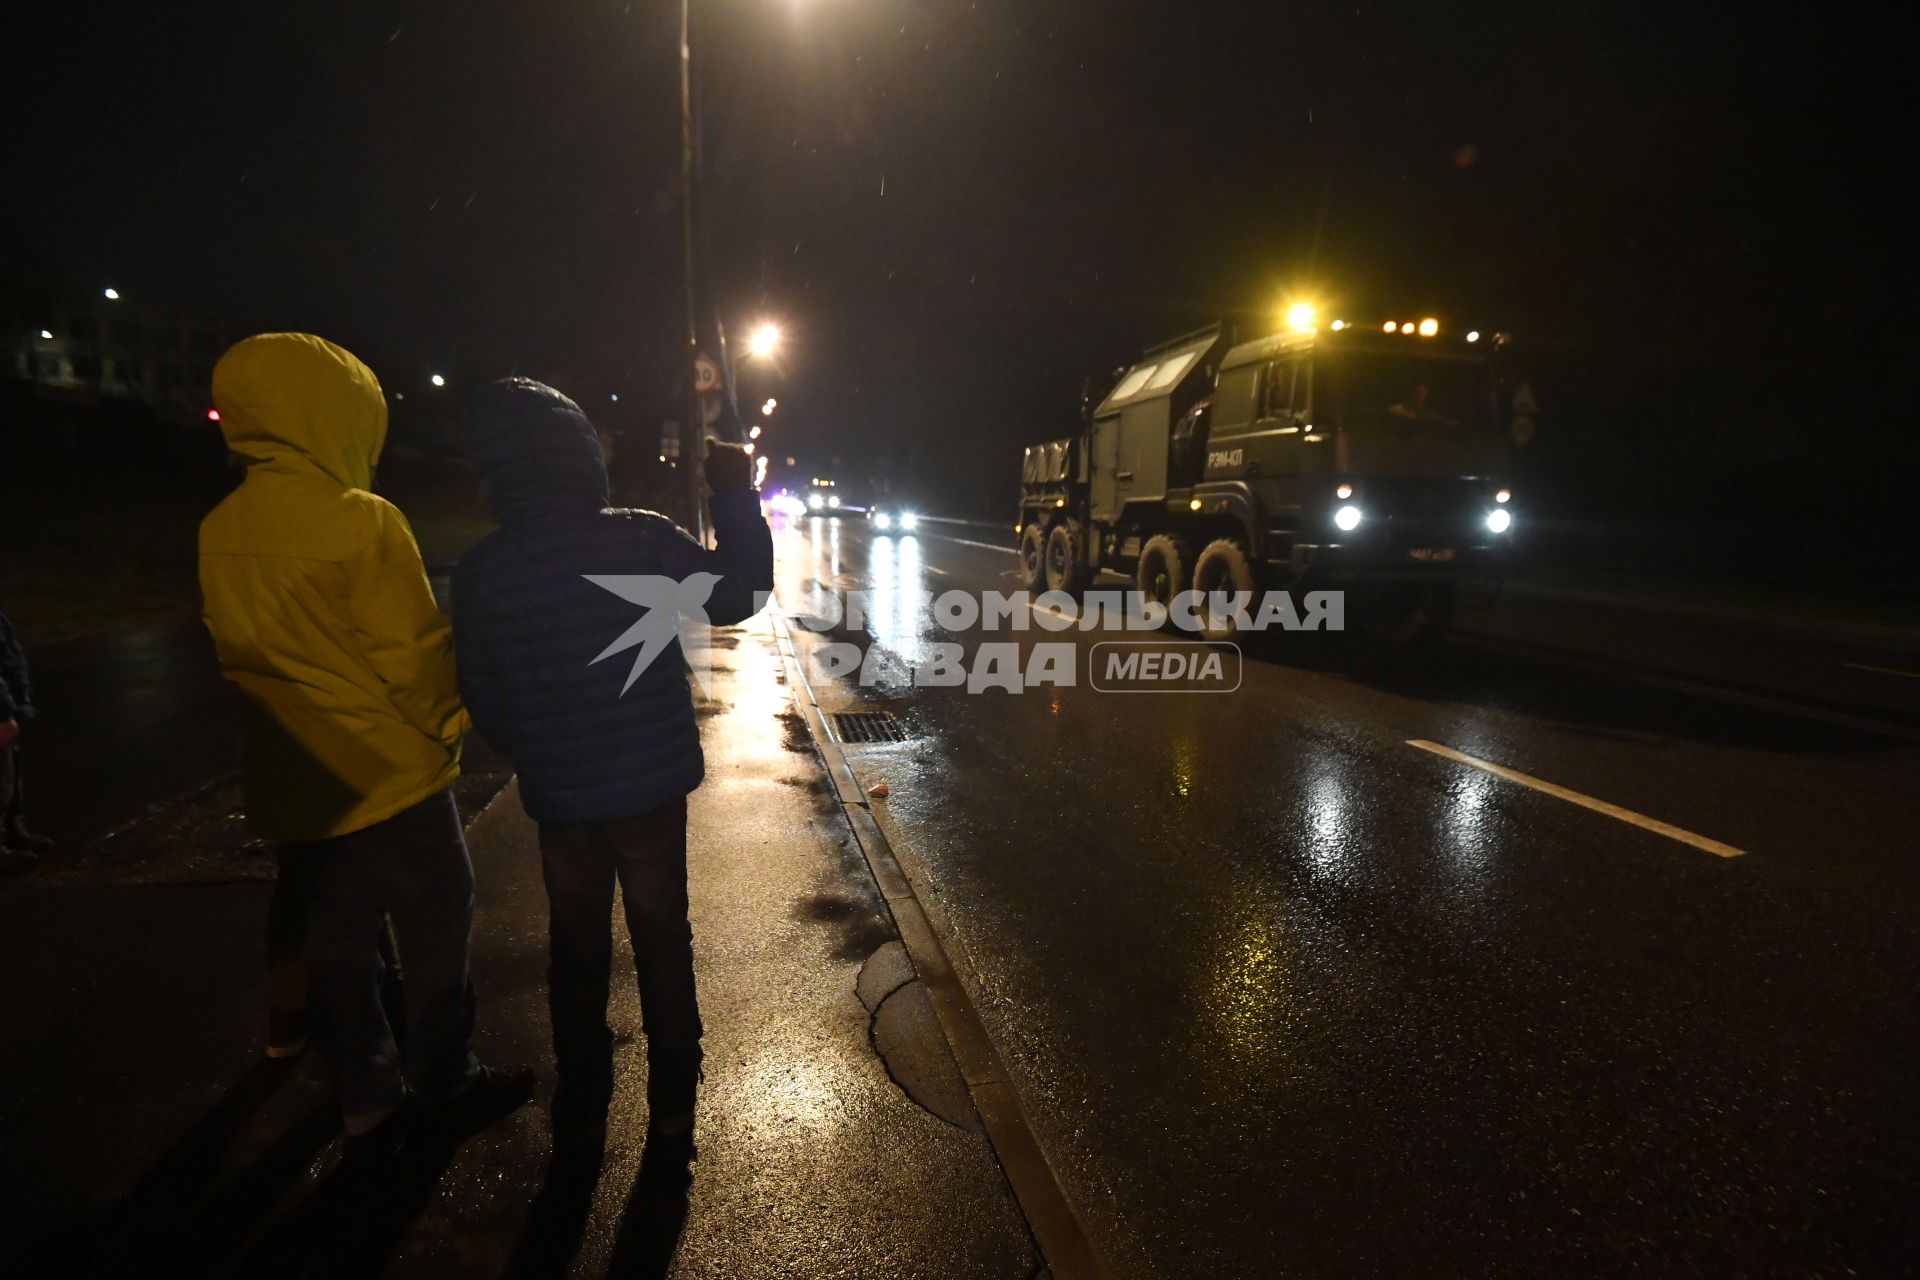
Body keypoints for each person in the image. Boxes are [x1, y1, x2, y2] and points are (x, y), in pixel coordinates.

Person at [198, 333, 530, 1162]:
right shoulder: (362, 522)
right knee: (435, 935)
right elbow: (414, 661)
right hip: (391, 781)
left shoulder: (218, 528)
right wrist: (452, 724)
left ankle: (365, 1098)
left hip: (299, 783)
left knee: (340, 952)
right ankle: (446, 1082)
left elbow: (237, 653)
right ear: (335, 416)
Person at [451, 378, 772, 1170]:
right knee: (664, 942)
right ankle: (670, 1115)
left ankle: (585, 1113)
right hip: (651, 791)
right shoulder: (640, 539)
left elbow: (482, 694)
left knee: (577, 948)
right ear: (579, 456)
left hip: (563, 800)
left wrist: (540, 750)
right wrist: (734, 492)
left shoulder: (483, 570)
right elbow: (740, 594)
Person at [0, 609, 54, 867]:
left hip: (9, 706)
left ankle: (13, 831)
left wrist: (20, 705)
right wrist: (3, 712)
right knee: (2, 778)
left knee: (10, 773)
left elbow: (11, 657)